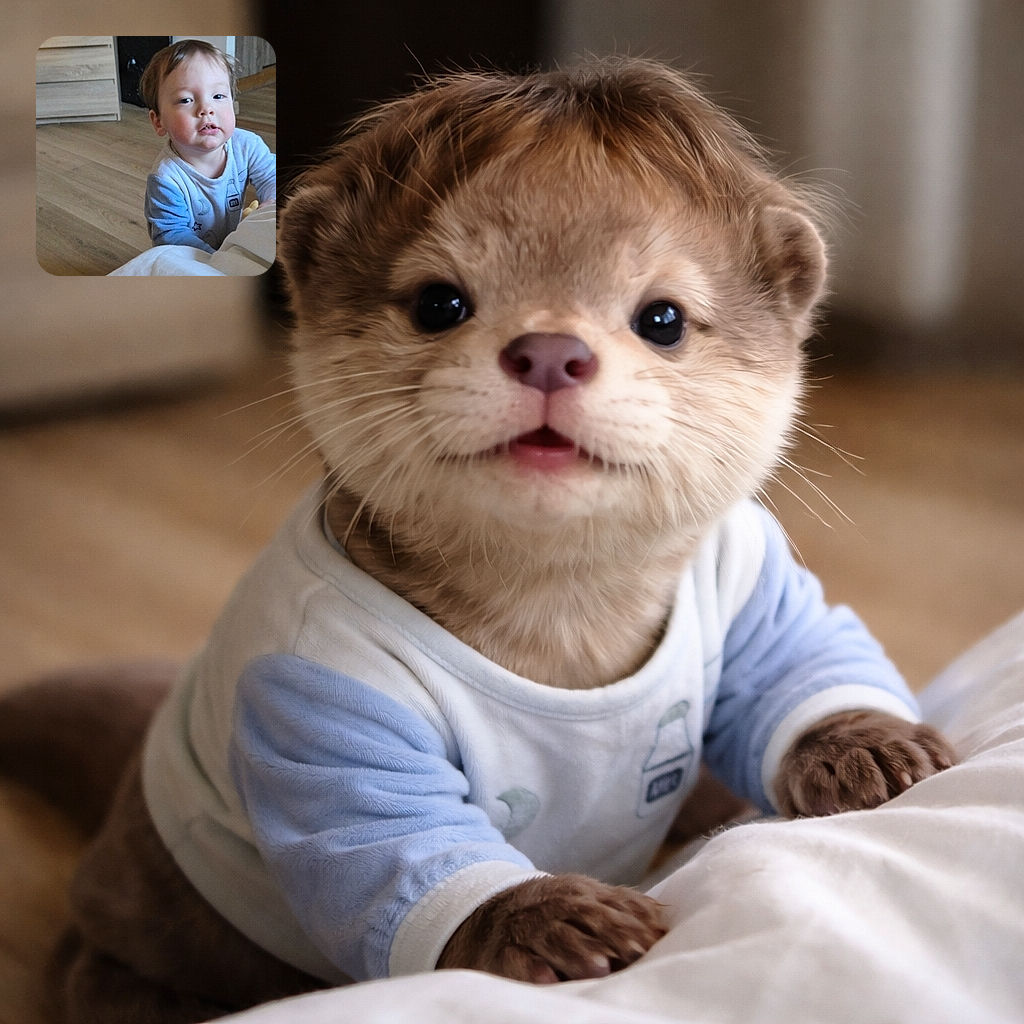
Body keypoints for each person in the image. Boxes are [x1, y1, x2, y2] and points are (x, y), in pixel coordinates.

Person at [140, 39, 276, 252]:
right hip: (192, 256)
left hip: (229, 243)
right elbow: (172, 237)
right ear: (158, 121)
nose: (206, 108)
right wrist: (217, 261)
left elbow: (273, 176)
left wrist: (271, 203)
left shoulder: (247, 146)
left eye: (218, 96)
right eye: (186, 100)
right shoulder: (166, 180)